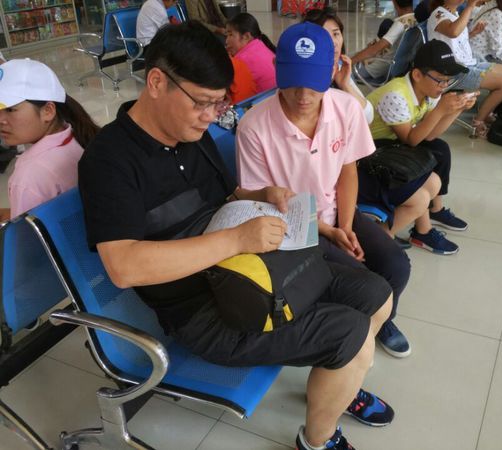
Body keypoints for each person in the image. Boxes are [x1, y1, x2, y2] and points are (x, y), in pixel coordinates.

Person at [78, 21, 395, 450]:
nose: (212, 115)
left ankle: (339, 381)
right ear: (156, 82)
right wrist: (236, 241)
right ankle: (317, 440)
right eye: (202, 103)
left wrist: (263, 195)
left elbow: (228, 196)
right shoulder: (109, 161)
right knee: (350, 333)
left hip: (251, 269)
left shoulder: (191, 134)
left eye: (219, 102)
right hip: (205, 310)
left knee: (376, 294)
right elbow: (124, 267)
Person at [237, 22, 413, 361]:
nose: (303, 96)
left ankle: (381, 322)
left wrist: (344, 226)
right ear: (277, 68)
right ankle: (353, 344)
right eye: (293, 83)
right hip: (292, 229)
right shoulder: (254, 127)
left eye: (314, 85)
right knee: (363, 283)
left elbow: (348, 170)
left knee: (396, 265)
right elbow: (265, 201)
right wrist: (329, 232)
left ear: (332, 70)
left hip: (337, 212)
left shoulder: (346, 109)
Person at [365, 40, 474, 254]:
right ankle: (422, 229)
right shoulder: (395, 94)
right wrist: (441, 110)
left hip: (391, 143)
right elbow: (412, 140)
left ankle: (435, 209)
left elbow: (431, 134)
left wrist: (456, 110)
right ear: (417, 75)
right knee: (427, 154)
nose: (443, 86)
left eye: (447, 81)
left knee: (439, 148)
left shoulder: (427, 91)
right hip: (369, 151)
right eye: (440, 80)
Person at [0, 59, 99, 222]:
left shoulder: (28, 178)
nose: (1, 120)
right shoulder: (77, 135)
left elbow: (25, 236)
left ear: (48, 111)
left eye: (10, 109)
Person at [428, 0, 502, 138]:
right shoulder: (438, 14)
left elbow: (455, 39)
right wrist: (470, 6)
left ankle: (486, 111)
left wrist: (472, 33)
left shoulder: (454, 13)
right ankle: (478, 121)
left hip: (468, 63)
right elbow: (453, 32)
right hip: (454, 71)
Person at [302, 7, 375, 123]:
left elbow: (367, 117)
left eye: (336, 34)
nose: (334, 42)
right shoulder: (301, 75)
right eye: (324, 35)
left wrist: (345, 86)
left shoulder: (339, 68)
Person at [351, 0, 415, 80]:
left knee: (343, 72)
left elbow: (374, 50)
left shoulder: (401, 24)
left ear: (394, 2)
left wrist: (350, 61)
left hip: (378, 69)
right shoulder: (415, 19)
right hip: (400, 67)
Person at [225, 12, 277, 94]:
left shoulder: (242, 59)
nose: (226, 41)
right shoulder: (260, 45)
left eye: (230, 35)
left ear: (246, 36)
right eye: (227, 35)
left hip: (264, 100)